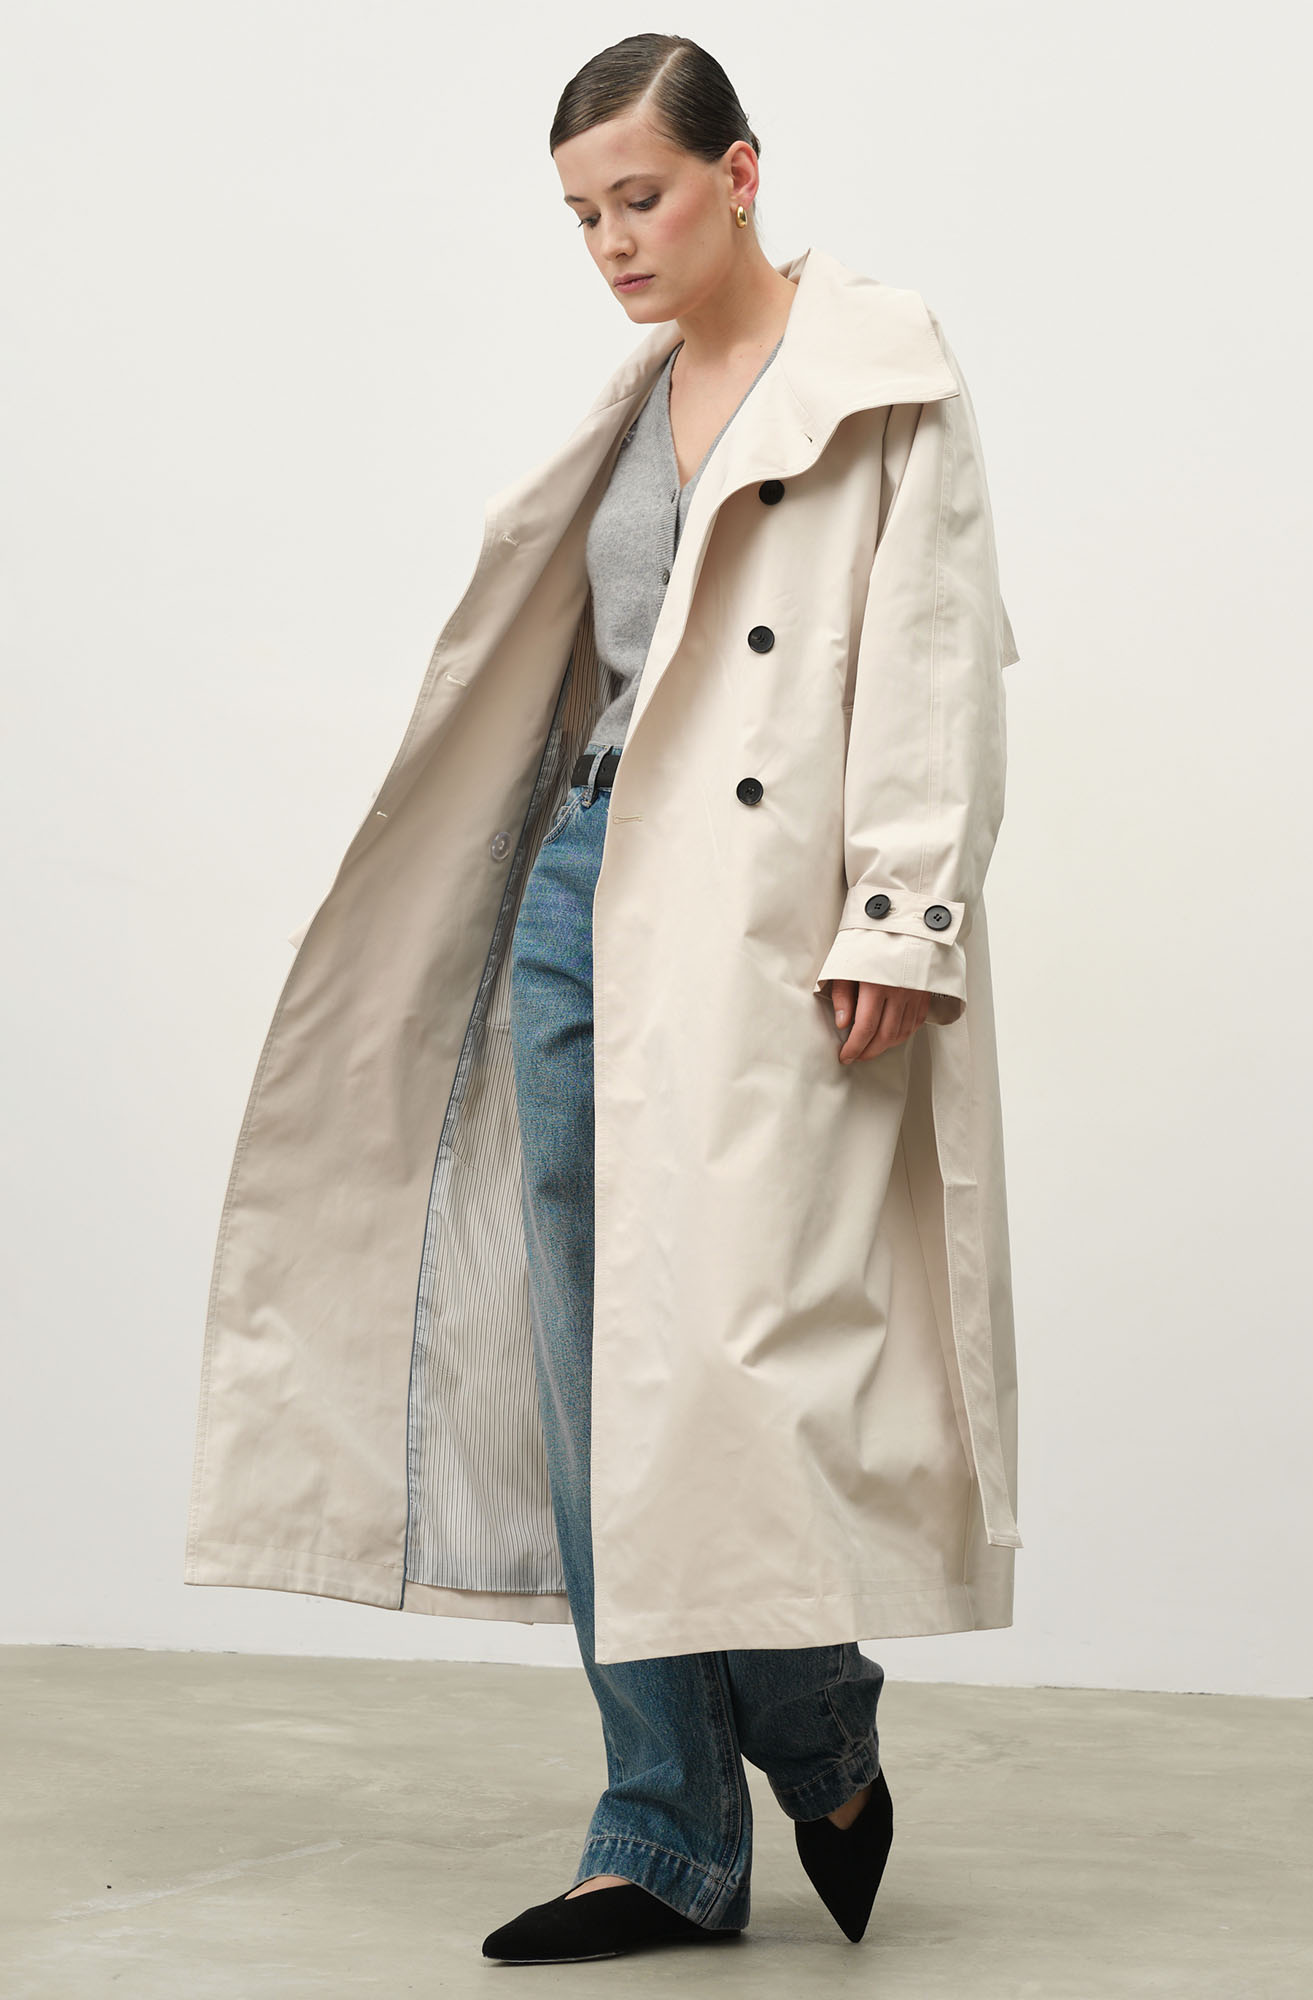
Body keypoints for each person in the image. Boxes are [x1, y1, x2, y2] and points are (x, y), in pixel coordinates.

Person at [184, 27, 1022, 1975]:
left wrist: (898, 915)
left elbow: (936, 645)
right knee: (583, 1359)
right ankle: (663, 1829)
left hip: (760, 928)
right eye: (580, 217)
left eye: (640, 197)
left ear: (742, 172)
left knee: (721, 1367)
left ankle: (818, 1722)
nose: (613, 243)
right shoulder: (634, 398)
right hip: (580, 892)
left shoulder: (880, 368)